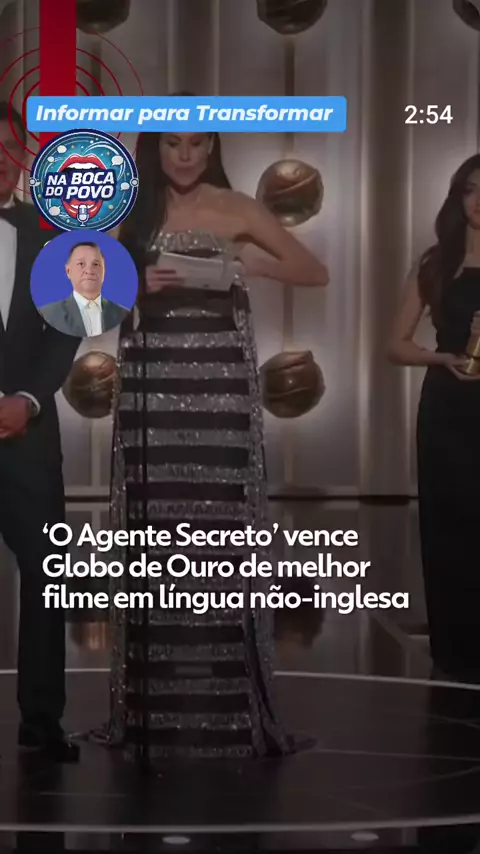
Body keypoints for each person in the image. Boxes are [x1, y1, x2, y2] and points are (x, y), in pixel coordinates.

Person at [104, 126, 329, 766]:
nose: (185, 156)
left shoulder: (238, 208)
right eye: (172, 145)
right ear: (155, 149)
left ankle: (231, 703)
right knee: (156, 535)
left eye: (197, 145)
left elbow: (314, 270)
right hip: (151, 384)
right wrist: (133, 284)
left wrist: (248, 264)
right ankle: (150, 708)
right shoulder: (130, 209)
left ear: (212, 150)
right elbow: (85, 290)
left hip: (221, 389)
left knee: (220, 534)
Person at [0, 102, 81, 760]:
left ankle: (43, 720)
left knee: (48, 571)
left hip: (29, 432)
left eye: (7, 147)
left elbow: (66, 329)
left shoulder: (51, 237)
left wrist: (27, 399)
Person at [388, 154, 480, 682]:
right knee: (449, 524)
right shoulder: (436, 263)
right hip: (447, 408)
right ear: (457, 196)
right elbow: (395, 344)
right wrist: (441, 357)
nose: (478, 201)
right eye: (470, 189)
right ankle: (455, 649)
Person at [38, 241, 129, 337]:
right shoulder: (50, 314)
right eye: (81, 264)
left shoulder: (122, 313)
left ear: (104, 270)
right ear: (68, 271)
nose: (89, 271)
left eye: (96, 264)